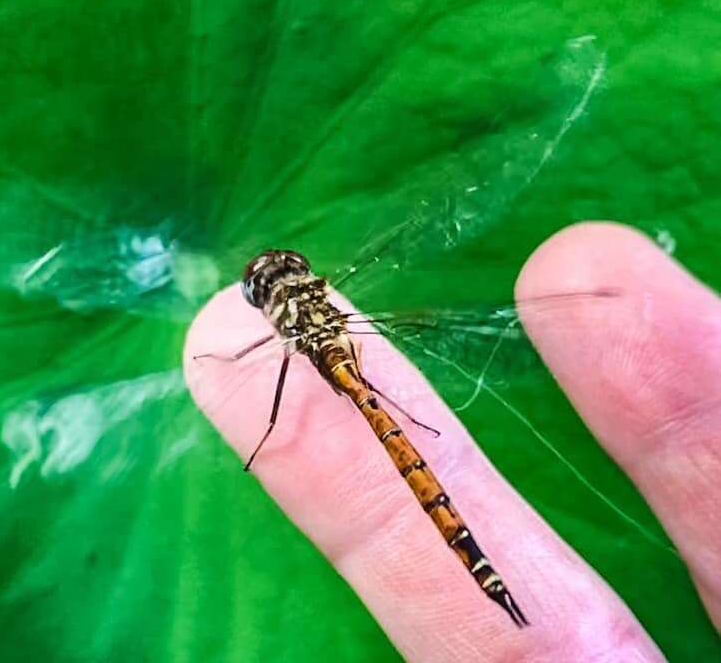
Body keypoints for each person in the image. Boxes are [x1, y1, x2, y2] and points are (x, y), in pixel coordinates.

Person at [185, 222, 721, 662]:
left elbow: (259, 371)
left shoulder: (286, 330)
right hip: (357, 371)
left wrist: (266, 421)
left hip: (352, 382)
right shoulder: (327, 304)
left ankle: (486, 574)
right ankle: (490, 574)